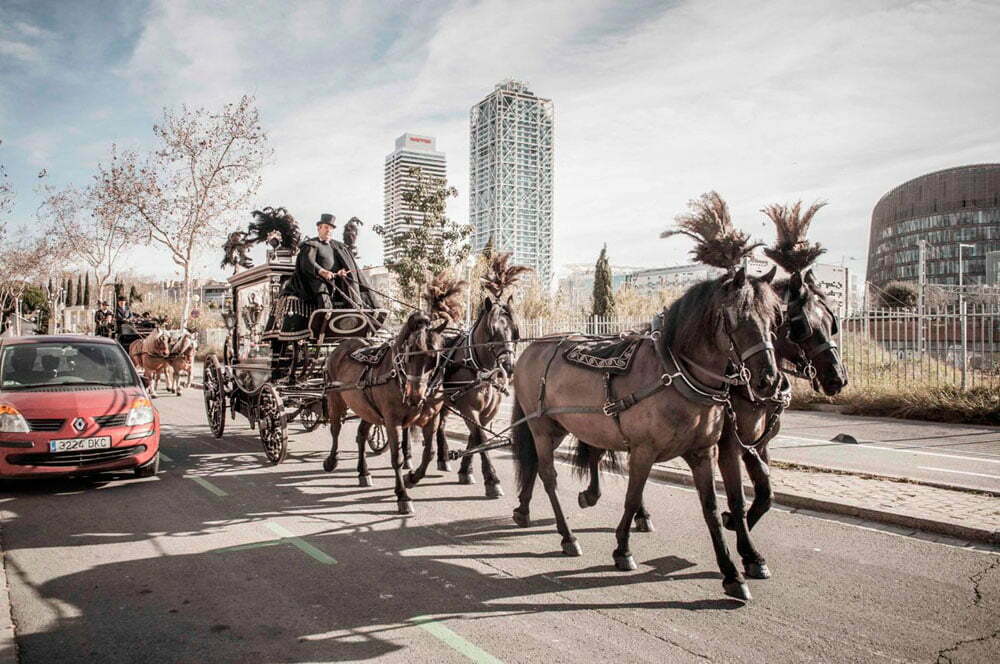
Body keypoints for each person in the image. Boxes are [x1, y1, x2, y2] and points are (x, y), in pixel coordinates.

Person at [289, 213, 379, 311]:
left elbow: (344, 264)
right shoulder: (311, 244)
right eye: (326, 227)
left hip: (336, 281)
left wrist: (342, 271)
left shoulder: (338, 246)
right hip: (316, 280)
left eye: (331, 228)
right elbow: (307, 263)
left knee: (352, 288)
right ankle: (325, 318)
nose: (328, 230)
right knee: (322, 292)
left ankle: (357, 312)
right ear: (319, 228)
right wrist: (322, 271)